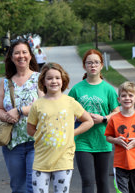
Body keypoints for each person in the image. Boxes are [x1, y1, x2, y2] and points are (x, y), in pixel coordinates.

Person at [27, 63, 94, 193]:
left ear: (63, 80)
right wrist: (44, 136)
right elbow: (30, 129)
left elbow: (89, 121)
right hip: (41, 160)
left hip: (64, 160)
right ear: (43, 82)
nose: (54, 81)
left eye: (57, 78)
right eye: (49, 78)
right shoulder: (37, 105)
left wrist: (72, 133)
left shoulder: (70, 102)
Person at [68, 49, 120, 193]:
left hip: (103, 140)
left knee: (103, 181)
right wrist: (79, 117)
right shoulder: (77, 89)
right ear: (84, 66)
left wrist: (103, 118)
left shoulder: (108, 89)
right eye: (89, 62)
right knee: (88, 181)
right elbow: (68, 113)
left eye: (96, 62)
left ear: (101, 65)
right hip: (82, 140)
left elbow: (116, 113)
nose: (93, 65)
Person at [0, 38, 44, 193]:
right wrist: (6, 116)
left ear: (30, 55)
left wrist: (20, 110)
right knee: (18, 187)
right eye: (17, 53)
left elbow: (45, 105)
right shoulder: (6, 82)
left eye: (24, 52)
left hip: (36, 141)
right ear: (11, 57)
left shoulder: (40, 79)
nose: (21, 56)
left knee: (35, 187)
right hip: (12, 143)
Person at [105, 81, 135, 193]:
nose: (127, 98)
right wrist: (116, 140)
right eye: (123, 95)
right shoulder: (114, 118)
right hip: (120, 164)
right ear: (119, 100)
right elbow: (108, 137)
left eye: (130, 95)